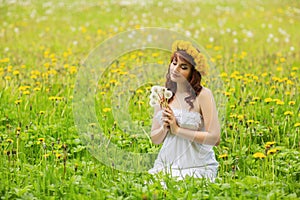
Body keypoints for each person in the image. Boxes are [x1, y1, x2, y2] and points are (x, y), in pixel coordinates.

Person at [148, 40, 220, 182]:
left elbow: (214, 138)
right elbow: (155, 139)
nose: (175, 69)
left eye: (183, 67)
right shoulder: (163, 95)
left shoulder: (203, 95)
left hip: (197, 164)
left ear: (193, 72)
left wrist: (177, 130)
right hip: (167, 164)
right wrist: (165, 127)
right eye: (174, 63)